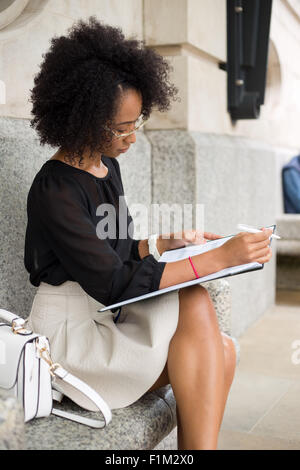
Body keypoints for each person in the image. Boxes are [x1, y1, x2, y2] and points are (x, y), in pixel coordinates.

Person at [24, 16, 273, 450]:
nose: (132, 138)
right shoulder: (55, 188)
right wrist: (220, 258)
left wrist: (166, 243)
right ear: (81, 117)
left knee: (220, 346)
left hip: (106, 318)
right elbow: (112, 283)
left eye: (137, 123)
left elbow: (117, 248)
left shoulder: (108, 167)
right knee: (210, 335)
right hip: (70, 339)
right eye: (121, 128)